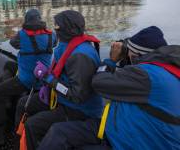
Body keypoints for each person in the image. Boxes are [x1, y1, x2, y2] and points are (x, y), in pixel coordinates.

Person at [40, 26, 179, 150]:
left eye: (128, 51)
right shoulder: (165, 71)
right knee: (60, 132)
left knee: (59, 133)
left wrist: (111, 61)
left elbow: (98, 82)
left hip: (133, 141)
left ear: (137, 55)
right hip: (130, 129)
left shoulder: (146, 75)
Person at [17, 10, 102, 150]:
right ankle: (19, 141)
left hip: (78, 110)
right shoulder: (66, 44)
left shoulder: (80, 56)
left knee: (32, 125)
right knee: (23, 103)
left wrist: (48, 79)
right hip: (60, 98)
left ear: (67, 30)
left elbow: (77, 96)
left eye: (57, 26)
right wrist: (47, 84)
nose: (55, 29)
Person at [0, 8, 56, 145]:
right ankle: (9, 103)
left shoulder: (22, 35)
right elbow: (54, 44)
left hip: (27, 80)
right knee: (10, 64)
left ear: (27, 21)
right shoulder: (52, 36)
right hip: (43, 79)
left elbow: (13, 44)